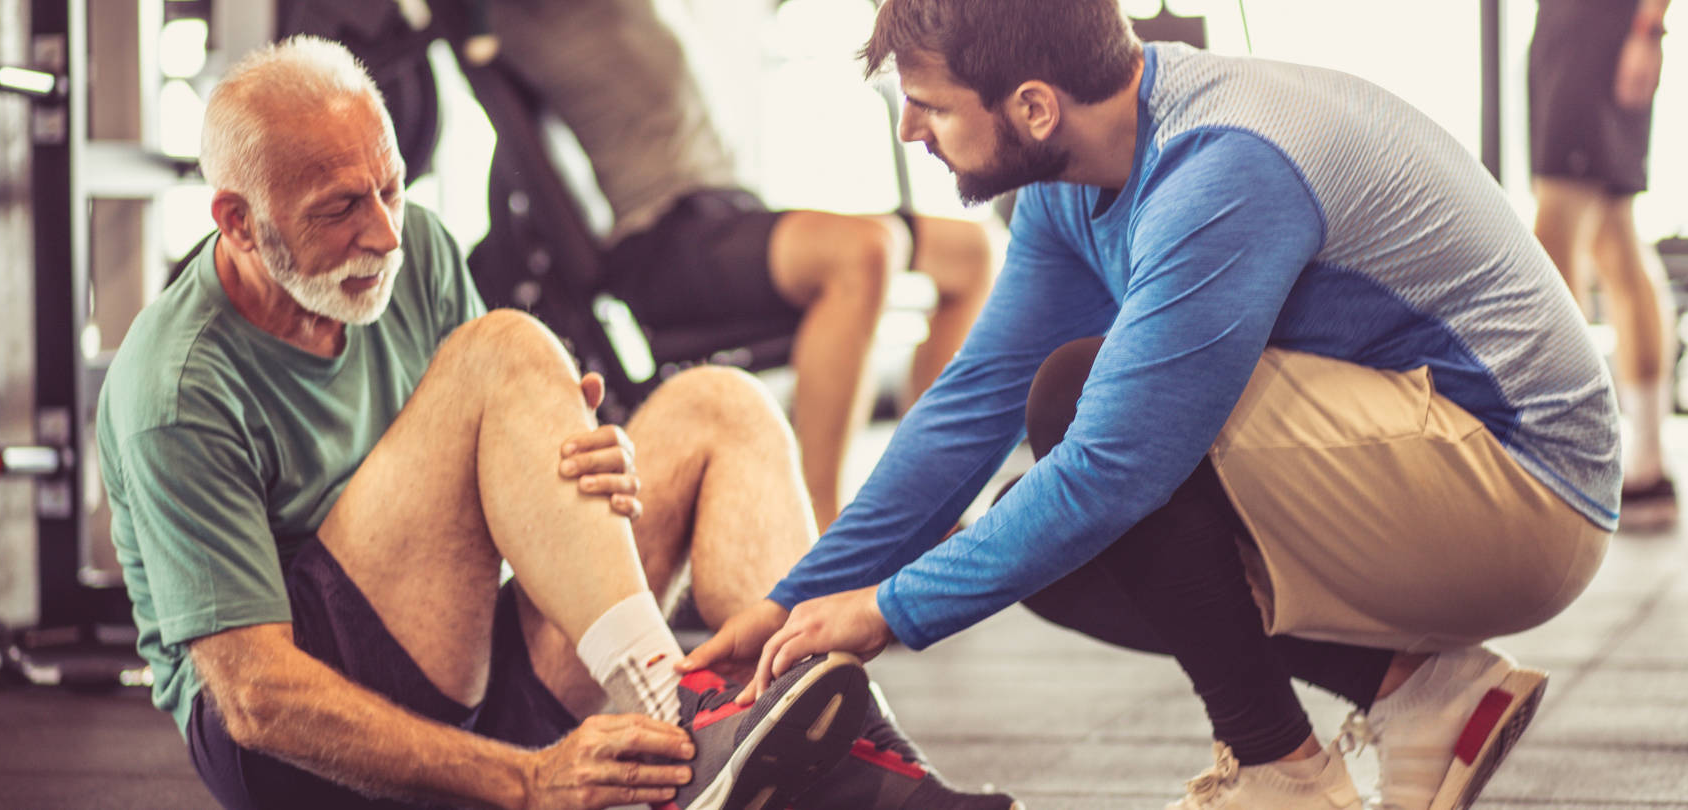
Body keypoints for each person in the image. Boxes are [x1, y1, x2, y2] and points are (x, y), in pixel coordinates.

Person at [681, 2, 1619, 809]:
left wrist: (886, 611)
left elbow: (1115, 468)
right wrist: (791, 602)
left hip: (1531, 494)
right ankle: (1419, 693)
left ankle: (1282, 774)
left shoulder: (1222, 170)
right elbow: (973, 402)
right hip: (1424, 453)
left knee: (1082, 423)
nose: (910, 131)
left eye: (927, 106)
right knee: (1032, 540)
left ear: (1035, 108)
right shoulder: (1076, 175)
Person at [97, 36, 1014, 810]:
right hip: (304, 760)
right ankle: (678, 703)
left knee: (720, 409)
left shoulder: (409, 258)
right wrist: (527, 781)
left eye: (391, 187)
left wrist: (581, 468)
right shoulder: (177, 387)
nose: (384, 232)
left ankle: (852, 744)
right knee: (502, 349)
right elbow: (255, 700)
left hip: (461, 664)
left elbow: (482, 483)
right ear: (240, 222)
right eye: (340, 209)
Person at [484, 0, 1004, 528]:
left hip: (728, 211)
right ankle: (814, 524)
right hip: (664, 238)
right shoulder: (531, 16)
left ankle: (923, 501)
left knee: (969, 251)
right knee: (867, 250)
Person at [1529, 0, 1677, 529]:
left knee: (1554, 241)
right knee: (1614, 245)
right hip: (1568, 33)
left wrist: (1647, 29)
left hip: (1600, 39)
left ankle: (1565, 453)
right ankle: (1647, 464)